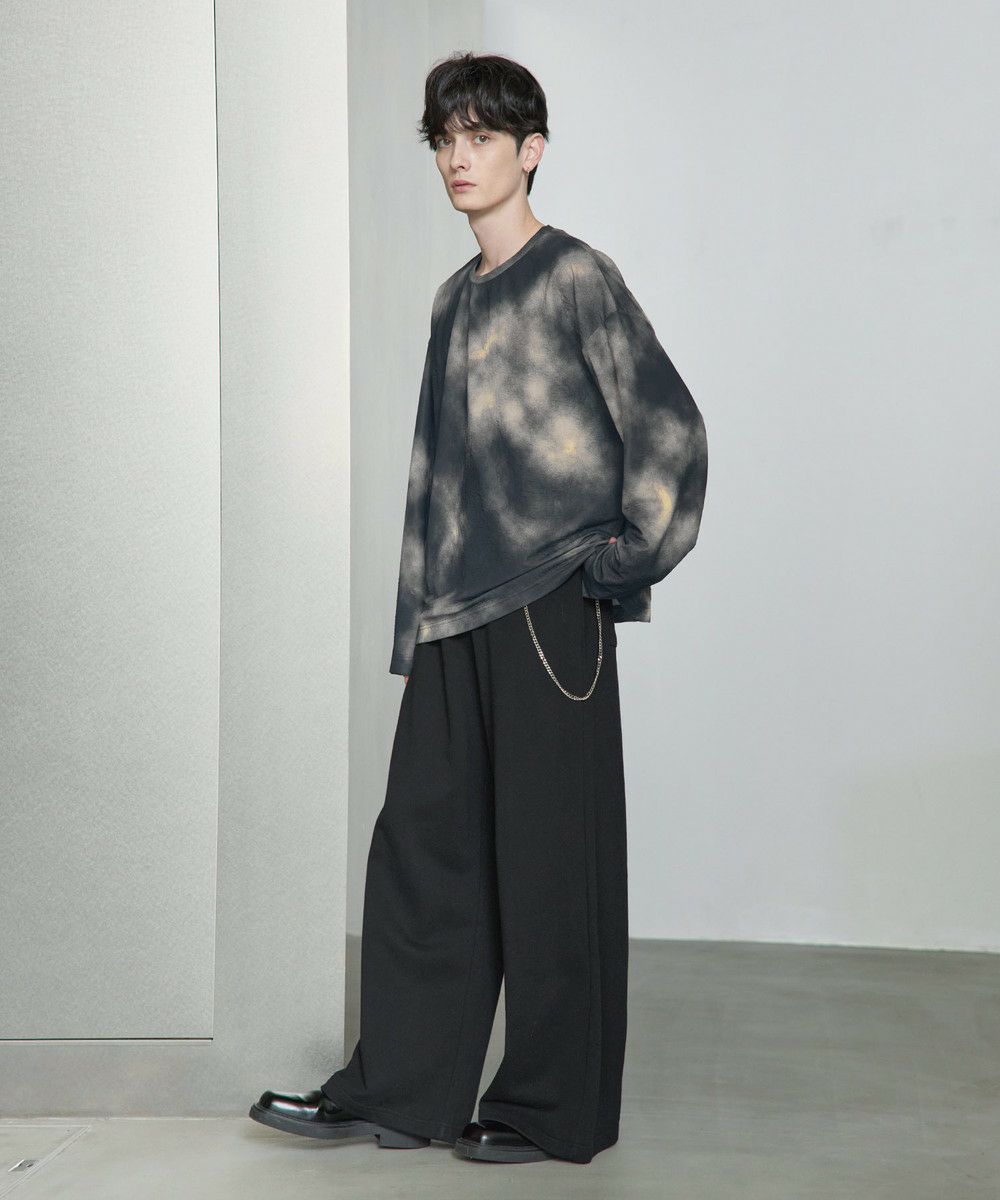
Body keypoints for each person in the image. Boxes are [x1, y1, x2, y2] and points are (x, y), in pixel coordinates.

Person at [249, 50, 708, 1166]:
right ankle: (401, 1089)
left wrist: (615, 567)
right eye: (445, 140)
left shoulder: (576, 277)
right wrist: (415, 620)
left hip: (552, 609)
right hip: (456, 615)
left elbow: (672, 432)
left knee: (551, 863)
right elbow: (434, 476)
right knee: (424, 852)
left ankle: (551, 1109)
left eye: (482, 138)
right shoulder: (454, 299)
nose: (459, 157)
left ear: (529, 150)